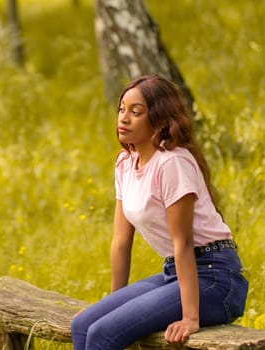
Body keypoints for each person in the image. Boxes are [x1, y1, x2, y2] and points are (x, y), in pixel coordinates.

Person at [70, 74, 249, 350]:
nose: (124, 118)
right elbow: (120, 241)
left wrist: (191, 317)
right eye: (121, 110)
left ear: (159, 121)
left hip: (216, 279)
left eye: (136, 112)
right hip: (174, 274)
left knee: (101, 335)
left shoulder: (172, 164)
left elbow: (184, 242)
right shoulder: (125, 163)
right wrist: (111, 306)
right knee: (83, 327)